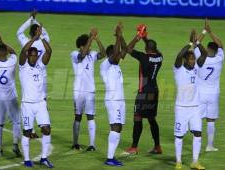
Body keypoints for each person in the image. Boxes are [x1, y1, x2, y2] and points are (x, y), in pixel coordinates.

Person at [124, 25, 163, 154]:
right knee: (151, 119)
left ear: (146, 49)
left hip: (143, 92)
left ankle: (134, 147)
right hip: (154, 91)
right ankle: (157, 146)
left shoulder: (143, 57)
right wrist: (146, 38)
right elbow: (152, 47)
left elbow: (128, 49)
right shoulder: (159, 57)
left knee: (137, 116)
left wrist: (138, 37)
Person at [19, 26, 53, 168]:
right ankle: (27, 159)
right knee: (27, 132)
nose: (33, 57)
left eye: (35, 55)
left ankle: (44, 158)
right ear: (28, 56)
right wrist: (33, 38)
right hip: (27, 104)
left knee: (47, 129)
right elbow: (22, 51)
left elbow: (49, 51)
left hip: (40, 103)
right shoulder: (22, 66)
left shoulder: (40, 66)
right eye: (31, 55)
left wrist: (42, 37)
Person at [173, 29, 207, 170]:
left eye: (194, 59)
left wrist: (197, 42)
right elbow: (179, 54)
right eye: (191, 59)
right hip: (181, 108)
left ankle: (195, 161)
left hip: (195, 108)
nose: (193, 61)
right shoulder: (178, 68)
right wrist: (189, 43)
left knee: (198, 133)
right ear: (186, 60)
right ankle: (179, 161)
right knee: (179, 136)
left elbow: (204, 54)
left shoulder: (196, 68)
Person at [70, 28, 106, 151]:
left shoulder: (93, 55)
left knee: (90, 116)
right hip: (78, 91)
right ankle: (75, 143)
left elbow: (104, 53)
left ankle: (92, 144)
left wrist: (97, 39)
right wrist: (90, 38)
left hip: (90, 90)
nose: (90, 46)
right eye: (87, 44)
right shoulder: (74, 54)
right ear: (81, 46)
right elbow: (82, 55)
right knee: (78, 116)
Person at [17, 10, 50, 139]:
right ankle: (40, 125)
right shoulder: (44, 40)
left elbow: (19, 31)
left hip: (27, 74)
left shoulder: (26, 41)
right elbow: (45, 33)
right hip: (42, 74)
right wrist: (37, 24)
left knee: (30, 98)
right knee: (42, 100)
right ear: (38, 32)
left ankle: (31, 129)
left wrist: (31, 18)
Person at [0, 32, 21, 157]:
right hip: (11, 98)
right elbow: (14, 53)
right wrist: (3, 42)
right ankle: (15, 145)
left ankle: (0, 150)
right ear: (6, 53)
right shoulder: (12, 62)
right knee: (16, 122)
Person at [194, 19, 223, 152]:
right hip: (213, 94)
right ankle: (209, 145)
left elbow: (195, 43)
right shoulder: (219, 59)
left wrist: (204, 31)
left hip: (200, 93)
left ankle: (197, 144)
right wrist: (211, 32)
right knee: (211, 120)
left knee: (198, 118)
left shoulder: (200, 58)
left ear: (207, 49)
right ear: (216, 51)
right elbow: (221, 44)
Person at [100, 23, 127, 166]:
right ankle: (109, 158)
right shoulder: (105, 65)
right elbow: (118, 52)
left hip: (120, 100)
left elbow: (125, 50)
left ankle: (112, 157)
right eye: (116, 54)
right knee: (115, 126)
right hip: (113, 100)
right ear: (111, 55)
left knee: (119, 127)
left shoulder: (116, 65)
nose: (119, 56)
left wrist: (134, 37)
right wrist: (117, 37)